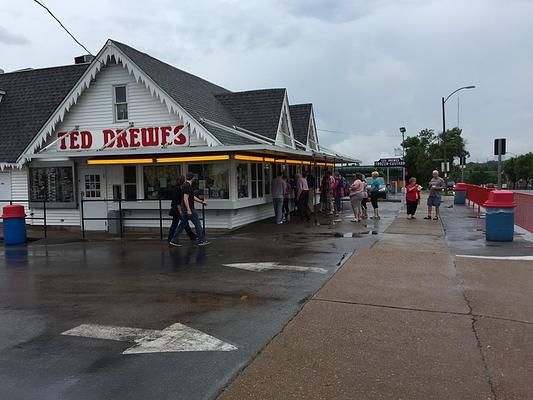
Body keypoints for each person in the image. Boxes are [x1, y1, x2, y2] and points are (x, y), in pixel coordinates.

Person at [170, 172, 209, 246]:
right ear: (193, 178)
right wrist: (189, 209)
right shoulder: (187, 186)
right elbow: (185, 198)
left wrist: (201, 202)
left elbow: (191, 196)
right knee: (197, 223)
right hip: (189, 208)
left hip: (186, 208)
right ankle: (201, 240)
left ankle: (174, 240)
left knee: (182, 225)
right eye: (194, 178)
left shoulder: (187, 186)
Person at [168, 175, 197, 243]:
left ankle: (192, 236)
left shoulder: (179, 188)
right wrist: (180, 210)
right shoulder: (178, 189)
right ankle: (171, 238)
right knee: (177, 224)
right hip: (177, 209)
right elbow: (177, 201)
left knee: (184, 223)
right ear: (183, 181)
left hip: (177, 208)